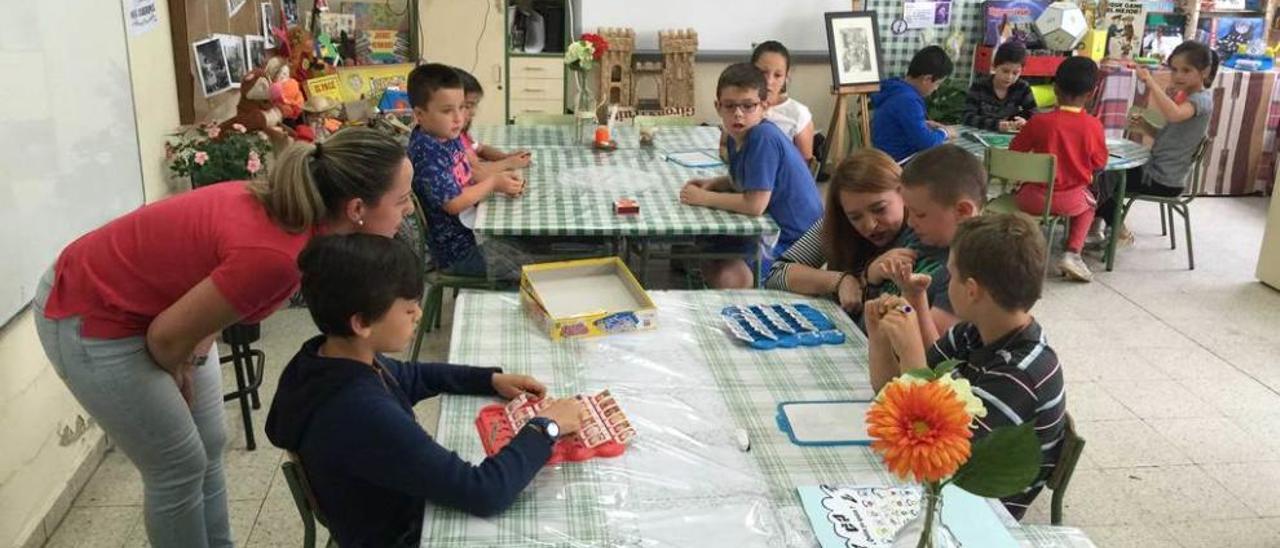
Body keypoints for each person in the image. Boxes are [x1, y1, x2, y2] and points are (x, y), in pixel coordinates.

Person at [31, 127, 415, 548]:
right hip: (91, 312)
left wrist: (190, 355)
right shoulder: (277, 257)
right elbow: (165, 338)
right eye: (401, 200)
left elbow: (214, 298)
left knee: (209, 443)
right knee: (178, 467)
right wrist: (177, 368)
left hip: (161, 310)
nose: (409, 210)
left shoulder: (300, 224)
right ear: (357, 208)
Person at [265, 234, 582, 547]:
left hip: (377, 511)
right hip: (402, 533)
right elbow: (484, 491)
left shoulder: (325, 356)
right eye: (408, 309)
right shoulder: (362, 413)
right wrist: (546, 427)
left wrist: (489, 380)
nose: (418, 314)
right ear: (361, 323)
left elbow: (412, 375)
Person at [865, 212, 1066, 521]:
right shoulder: (974, 332)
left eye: (950, 275)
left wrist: (909, 349)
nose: (946, 283)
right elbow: (890, 392)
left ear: (971, 290)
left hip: (979, 512)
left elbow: (939, 459)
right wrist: (878, 334)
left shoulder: (1020, 375)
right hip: (942, 491)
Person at [679, 63, 823, 289]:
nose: (738, 114)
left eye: (748, 106)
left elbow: (754, 204)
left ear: (764, 107)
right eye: (730, 106)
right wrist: (715, 183)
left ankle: (747, 289)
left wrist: (702, 198)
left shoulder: (762, 137)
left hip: (796, 242)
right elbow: (748, 179)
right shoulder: (739, 136)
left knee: (721, 270)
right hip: (776, 228)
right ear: (718, 107)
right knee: (704, 247)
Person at [763, 149, 946, 323]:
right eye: (855, 217)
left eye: (879, 209)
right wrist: (840, 280)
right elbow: (776, 274)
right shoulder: (836, 224)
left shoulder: (924, 233)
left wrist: (867, 278)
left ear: (903, 194)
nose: (870, 225)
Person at [407, 63, 525, 279]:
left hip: (472, 231)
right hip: (457, 254)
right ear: (419, 114)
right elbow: (454, 203)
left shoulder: (445, 135)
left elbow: (469, 174)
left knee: (530, 241)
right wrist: (492, 184)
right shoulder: (427, 151)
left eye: (462, 107)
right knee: (531, 263)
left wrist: (501, 181)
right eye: (447, 110)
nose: (459, 118)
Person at [1097, 41, 1218, 246]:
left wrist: (1151, 83)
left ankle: (1118, 230)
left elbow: (1174, 114)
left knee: (1102, 179)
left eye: (1186, 70)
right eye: (1174, 70)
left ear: (1204, 72)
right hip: (1156, 171)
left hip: (1163, 180)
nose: (1178, 76)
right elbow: (1171, 136)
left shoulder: (1201, 100)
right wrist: (1147, 127)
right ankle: (1110, 226)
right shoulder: (1187, 97)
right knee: (1105, 172)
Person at [1010, 56, 1108, 282]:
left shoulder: (1038, 121)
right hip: (1069, 200)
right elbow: (1100, 163)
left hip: (1030, 199)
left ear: (1055, 88)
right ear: (1092, 93)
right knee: (1089, 206)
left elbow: (1015, 151)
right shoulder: (1093, 125)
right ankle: (1072, 252)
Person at [893, 144, 986, 344]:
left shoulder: (966, 270)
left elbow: (933, 352)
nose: (910, 222)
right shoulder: (920, 235)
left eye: (920, 214)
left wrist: (911, 296)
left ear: (962, 211)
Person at [871, 45, 957, 162]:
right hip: (900, 163)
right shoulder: (908, 100)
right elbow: (927, 143)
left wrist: (923, 123)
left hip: (884, 159)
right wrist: (945, 132)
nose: (936, 89)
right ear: (926, 79)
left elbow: (897, 122)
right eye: (937, 84)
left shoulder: (895, 87)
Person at [454, 67, 532, 181]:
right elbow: (473, 172)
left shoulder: (461, 133)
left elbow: (480, 149)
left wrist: (506, 157)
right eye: (467, 106)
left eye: (474, 105)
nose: (473, 112)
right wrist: (507, 163)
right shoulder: (451, 139)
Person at [752, 40, 816, 162]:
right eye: (762, 72)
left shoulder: (798, 114)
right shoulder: (740, 105)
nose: (769, 81)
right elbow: (725, 146)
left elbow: (805, 167)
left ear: (786, 77)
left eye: (777, 75)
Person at [962, 43, 1037, 132]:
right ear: (994, 66)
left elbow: (1034, 114)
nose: (1009, 77)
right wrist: (996, 125)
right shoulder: (979, 86)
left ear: (1022, 71)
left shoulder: (1022, 87)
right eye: (1005, 71)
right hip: (980, 134)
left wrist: (1024, 121)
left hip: (1008, 137)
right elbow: (967, 117)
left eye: (1015, 73)